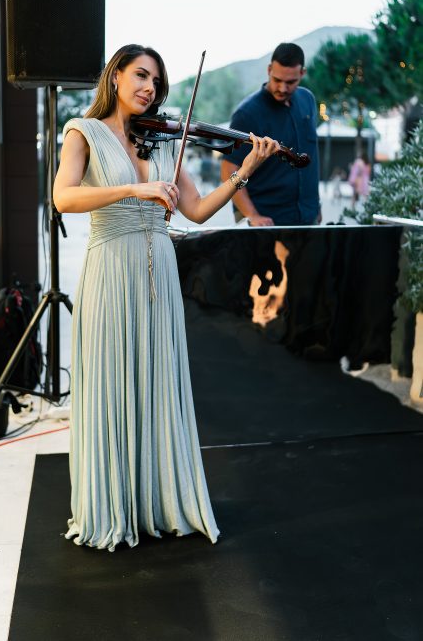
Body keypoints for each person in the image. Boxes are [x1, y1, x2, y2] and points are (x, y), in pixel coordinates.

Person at [53, 44, 280, 551]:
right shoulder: (82, 131)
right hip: (112, 271)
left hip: (159, 276)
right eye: (140, 75)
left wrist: (245, 169)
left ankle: (157, 501)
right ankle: (114, 504)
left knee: (156, 381)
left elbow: (196, 210)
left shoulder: (160, 141)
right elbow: (63, 197)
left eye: (155, 81)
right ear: (115, 76)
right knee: (114, 381)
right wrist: (134, 190)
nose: (148, 88)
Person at [220, 43, 321, 226]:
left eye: (290, 82)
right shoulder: (246, 113)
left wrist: (315, 206)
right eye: (277, 80)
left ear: (302, 73)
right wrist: (252, 215)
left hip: (309, 216)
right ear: (269, 70)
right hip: (268, 220)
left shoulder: (308, 99)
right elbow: (228, 169)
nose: (282, 88)